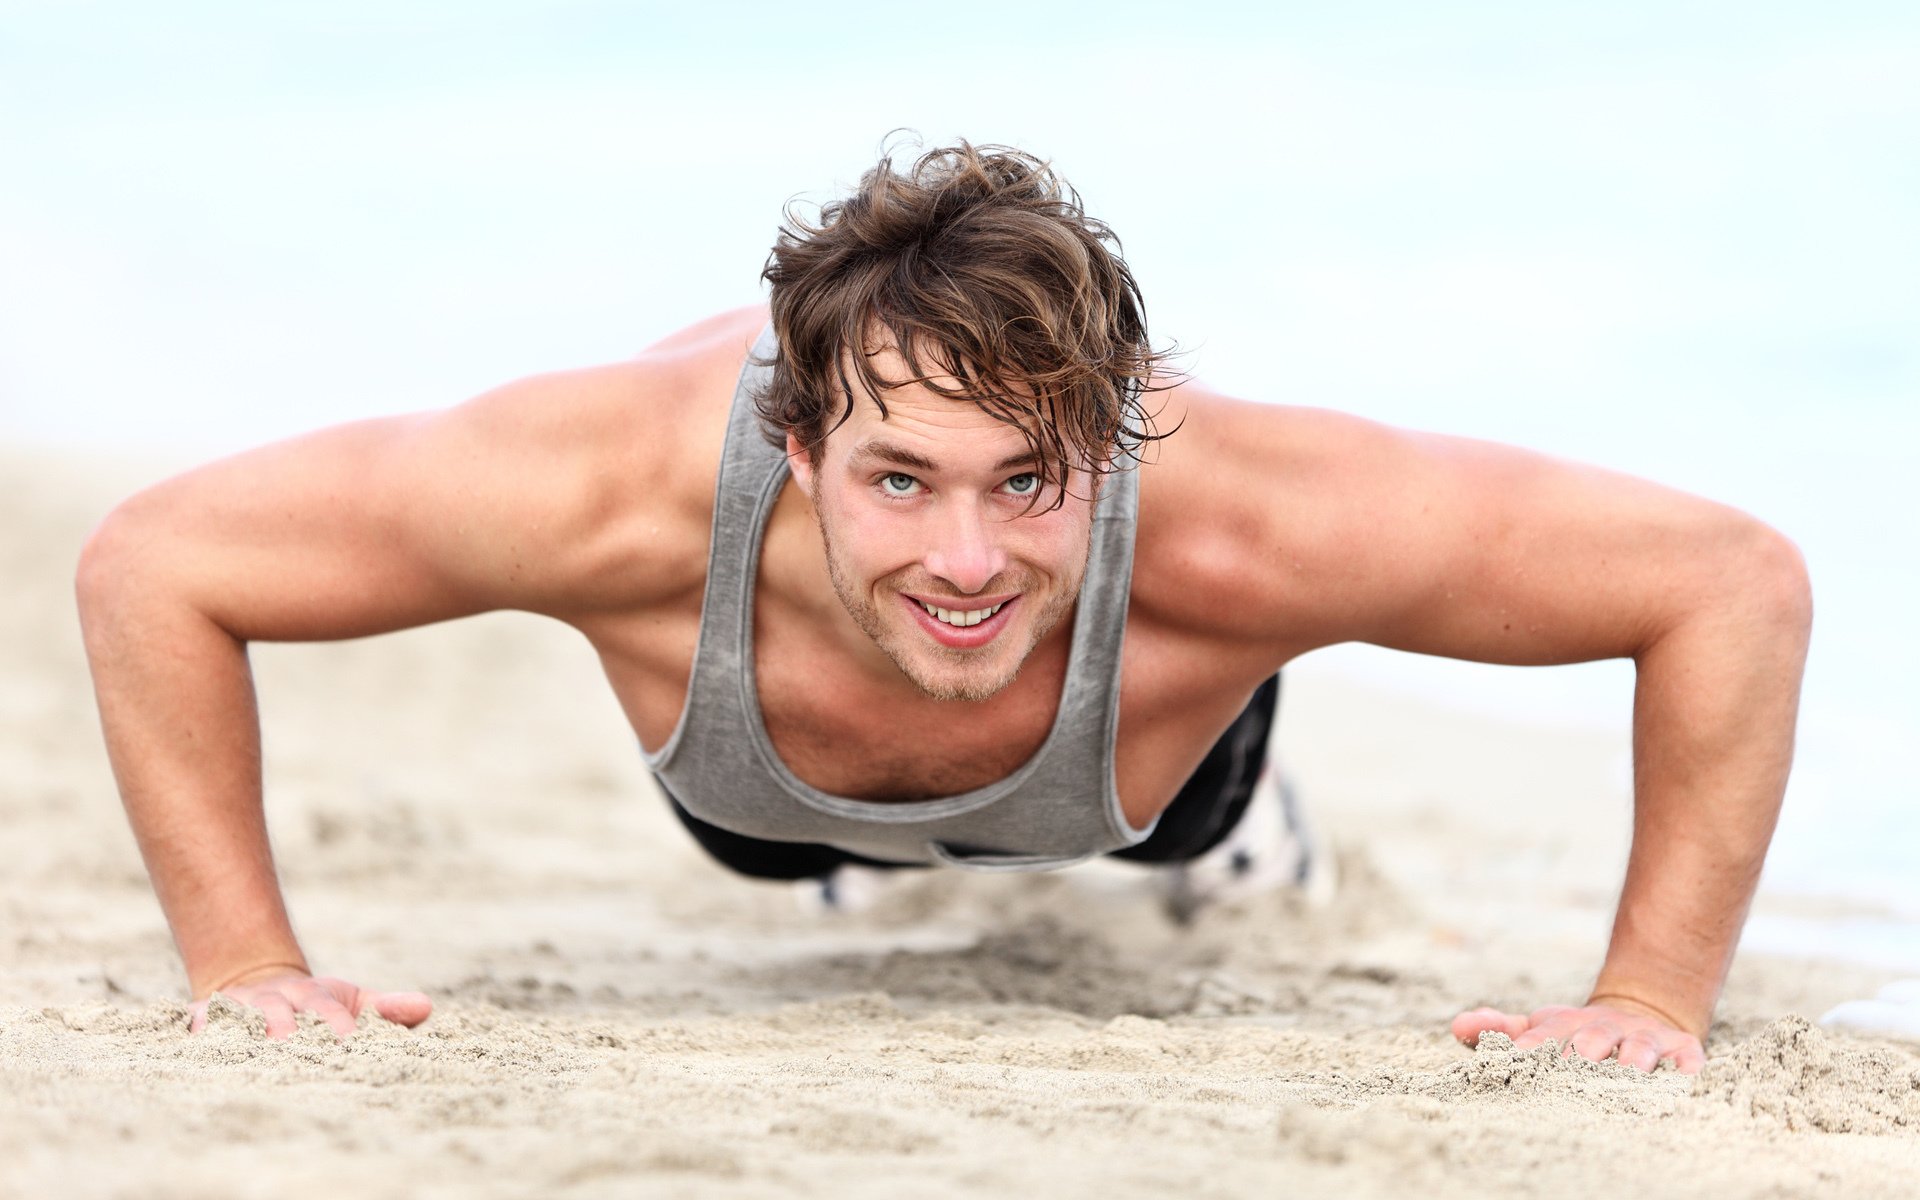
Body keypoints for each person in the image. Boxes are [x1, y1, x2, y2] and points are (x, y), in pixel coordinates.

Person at [75, 141, 1811, 1073]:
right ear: (798, 438)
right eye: (900, 480)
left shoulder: (1253, 520)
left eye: (1031, 482)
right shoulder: (600, 488)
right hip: (755, 798)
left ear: (1112, 441)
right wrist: (247, 970)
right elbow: (159, 564)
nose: (970, 559)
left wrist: (1650, 1000)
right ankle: (846, 834)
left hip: (1137, 776)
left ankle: (1232, 810)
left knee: (1171, 825)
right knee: (780, 852)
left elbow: (1726, 583)